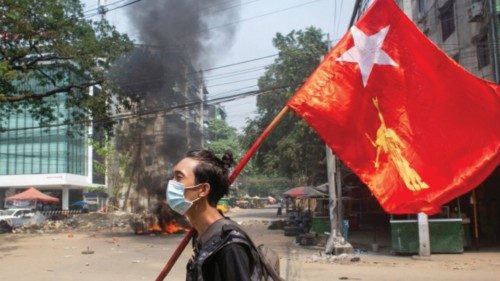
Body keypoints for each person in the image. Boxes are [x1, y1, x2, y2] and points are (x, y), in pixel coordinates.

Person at [166, 149, 263, 281]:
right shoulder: (202, 235)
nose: (171, 183)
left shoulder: (230, 246)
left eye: (179, 177)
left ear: (203, 190)